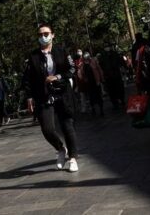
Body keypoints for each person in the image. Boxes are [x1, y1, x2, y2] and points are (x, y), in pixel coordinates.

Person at [22, 23, 79, 172]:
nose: (43, 37)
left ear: (53, 35)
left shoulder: (62, 51)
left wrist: (58, 77)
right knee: (47, 129)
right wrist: (29, 97)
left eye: (46, 33)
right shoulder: (33, 56)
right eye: (40, 34)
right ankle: (60, 149)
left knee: (67, 125)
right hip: (44, 96)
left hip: (63, 93)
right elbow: (28, 79)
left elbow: (72, 69)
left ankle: (73, 158)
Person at [98, 45, 127, 110]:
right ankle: (115, 103)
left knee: (120, 88)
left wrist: (123, 67)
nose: (107, 48)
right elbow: (101, 66)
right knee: (111, 91)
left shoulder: (114, 53)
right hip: (108, 76)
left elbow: (121, 61)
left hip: (116, 74)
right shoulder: (102, 56)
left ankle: (122, 100)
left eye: (108, 46)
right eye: (106, 47)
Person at [80, 51, 105, 117]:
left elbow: (99, 69)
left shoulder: (94, 61)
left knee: (99, 96)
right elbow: (81, 74)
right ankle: (93, 109)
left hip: (96, 82)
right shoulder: (82, 64)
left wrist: (101, 79)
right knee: (91, 97)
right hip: (89, 83)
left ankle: (101, 110)